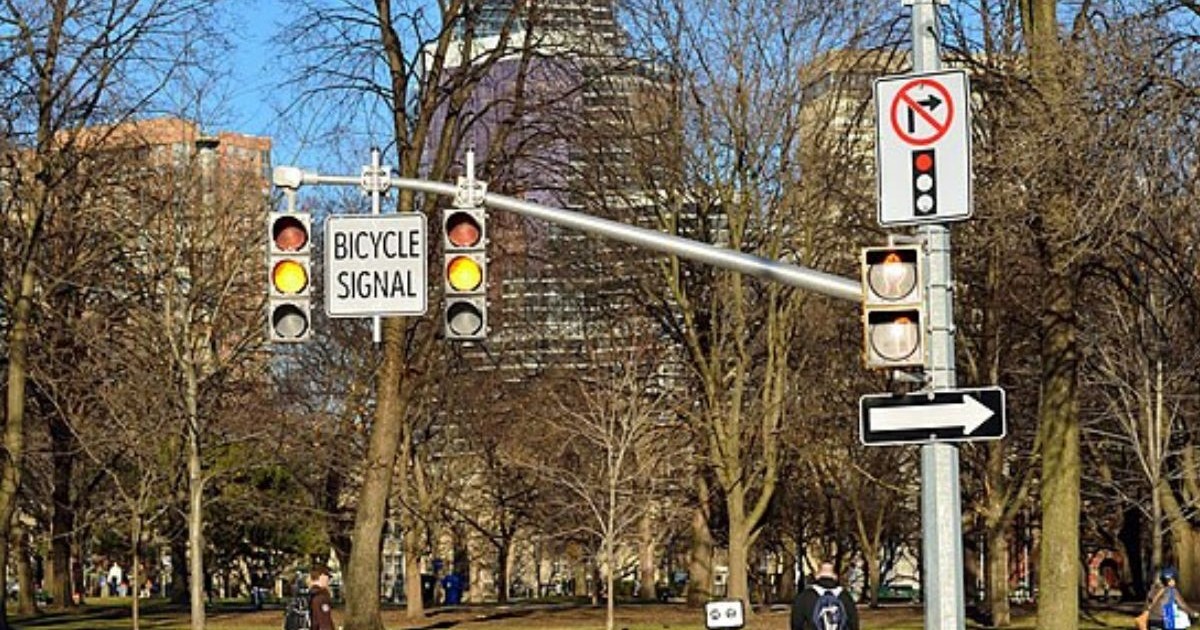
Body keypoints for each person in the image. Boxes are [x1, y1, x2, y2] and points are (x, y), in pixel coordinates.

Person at [791, 561, 859, 630]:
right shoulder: (846, 597)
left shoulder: (804, 597)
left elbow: (796, 624)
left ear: (817, 575)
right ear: (835, 576)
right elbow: (853, 625)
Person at [308, 564, 336, 630]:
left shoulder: (313, 595)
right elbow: (325, 622)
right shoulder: (321, 597)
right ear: (322, 577)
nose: (328, 581)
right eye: (327, 578)